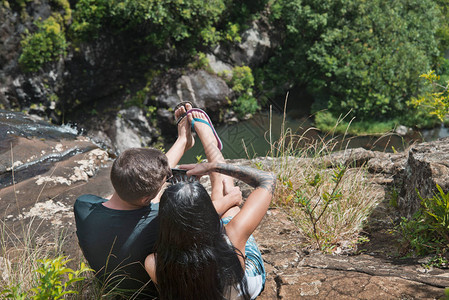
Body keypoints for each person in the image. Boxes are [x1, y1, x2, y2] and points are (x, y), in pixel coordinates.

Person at [74, 103, 239, 298]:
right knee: (222, 198)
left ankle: (183, 141)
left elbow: (120, 195)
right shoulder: (156, 222)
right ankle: (211, 150)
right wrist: (231, 200)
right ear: (146, 200)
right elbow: (202, 214)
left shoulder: (83, 206)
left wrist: (180, 142)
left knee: (134, 188)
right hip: (152, 292)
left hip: (114, 288)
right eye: (165, 181)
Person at [144, 110, 276, 300]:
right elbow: (268, 179)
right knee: (230, 208)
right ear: (209, 212)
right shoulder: (231, 240)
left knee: (227, 200)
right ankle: (211, 147)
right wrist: (213, 167)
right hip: (244, 291)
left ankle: (211, 148)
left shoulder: (154, 263)